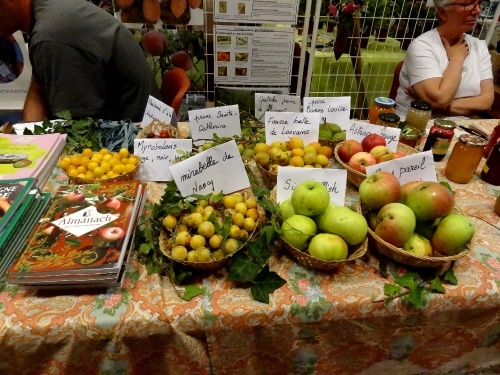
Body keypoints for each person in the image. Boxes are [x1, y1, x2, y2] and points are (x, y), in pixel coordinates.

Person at [0, 0, 161, 122]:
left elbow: (78, 128)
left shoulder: (52, 34)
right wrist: (26, 141)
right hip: (119, 121)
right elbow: (39, 85)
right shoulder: (49, 15)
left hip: (130, 137)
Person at [395, 0, 494, 117]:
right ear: (442, 12)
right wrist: (457, 59)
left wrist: (443, 107)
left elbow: (486, 101)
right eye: (466, 4)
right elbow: (439, 99)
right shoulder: (422, 46)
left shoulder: (480, 47)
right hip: (417, 125)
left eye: (479, 3)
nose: (477, 11)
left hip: (462, 129)